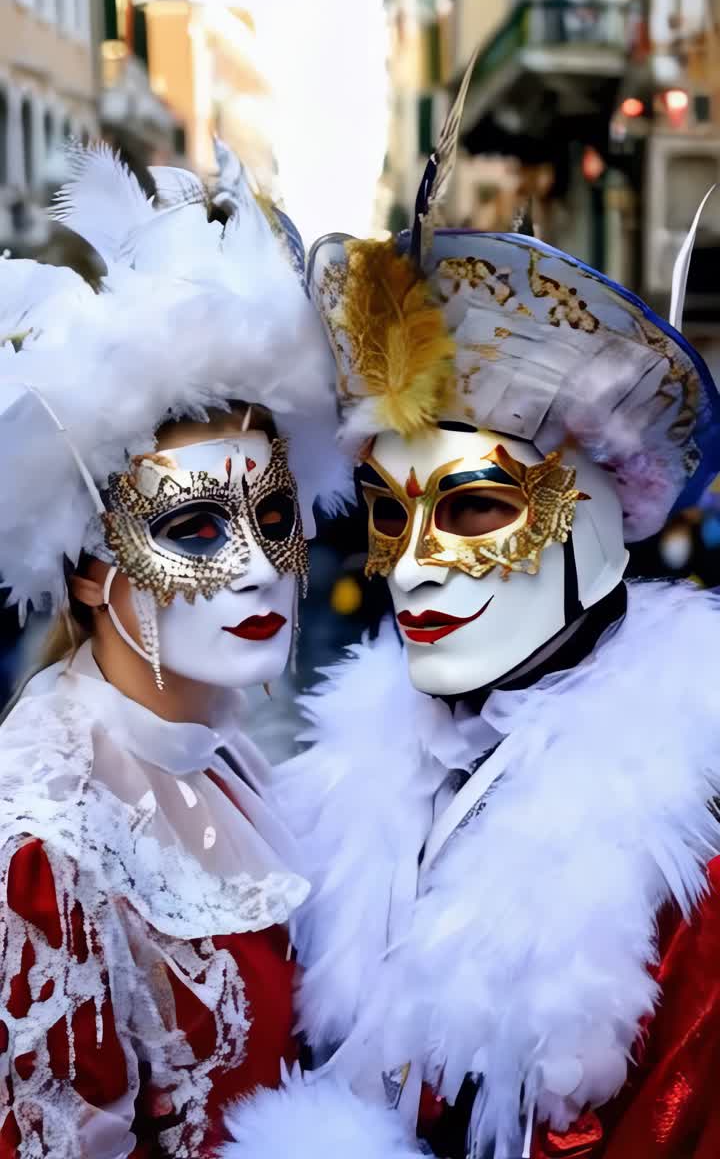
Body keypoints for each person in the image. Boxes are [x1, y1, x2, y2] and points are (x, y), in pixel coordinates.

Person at [222, 80, 720, 1159]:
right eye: (390, 515)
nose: (412, 569)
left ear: (595, 514)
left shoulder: (691, 844)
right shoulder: (366, 778)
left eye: (475, 506)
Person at [0, 141, 345, 1157]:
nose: (254, 566)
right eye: (194, 528)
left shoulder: (217, 752)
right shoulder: (44, 849)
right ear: (89, 571)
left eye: (274, 514)